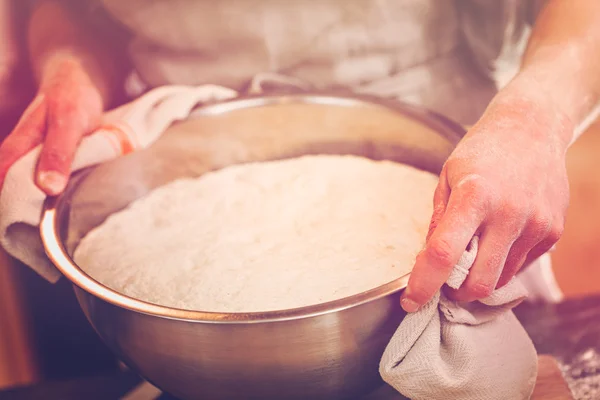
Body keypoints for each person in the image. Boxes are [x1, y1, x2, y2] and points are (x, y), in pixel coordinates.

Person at [0, 0, 599, 314]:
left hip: (454, 154)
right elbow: (72, 7)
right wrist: (72, 64)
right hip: (184, 159)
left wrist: (536, 114)